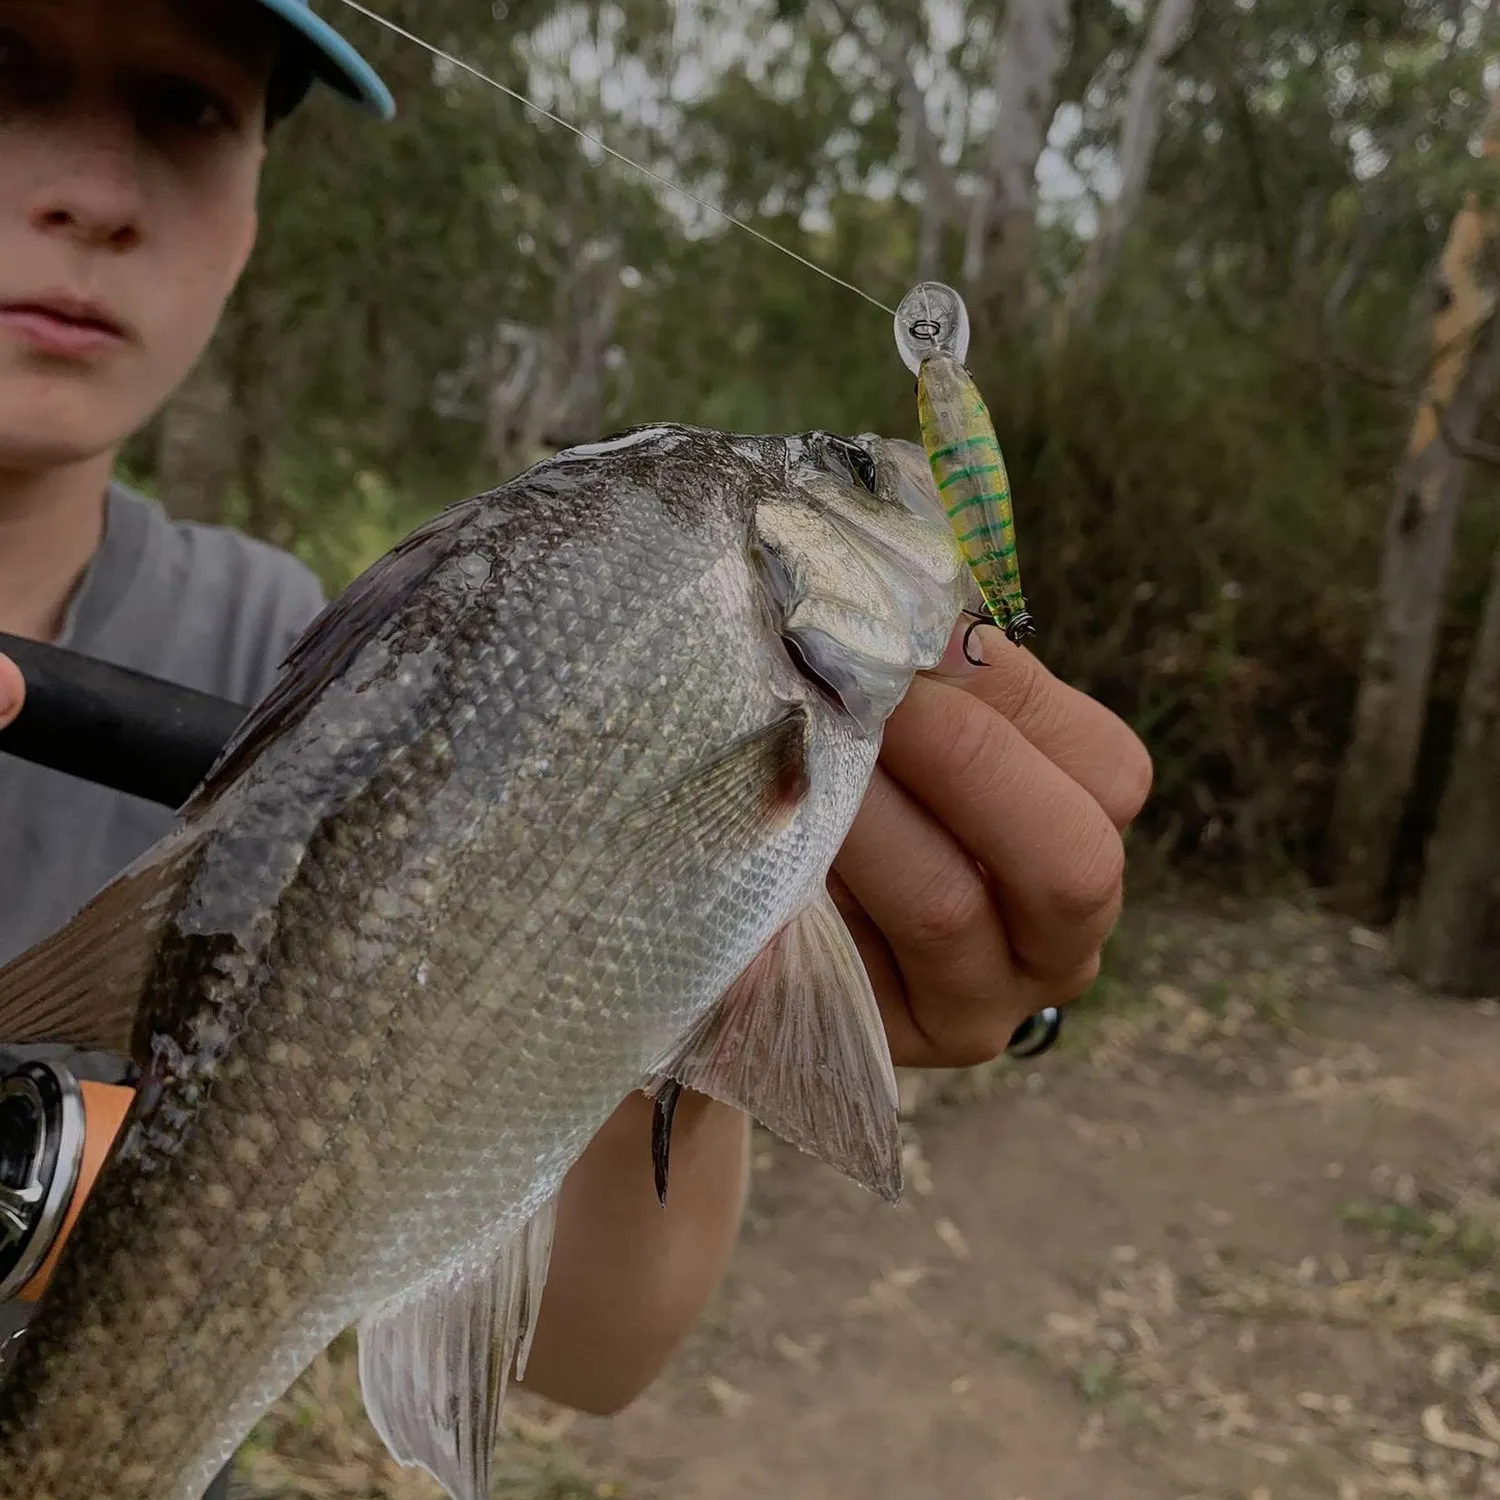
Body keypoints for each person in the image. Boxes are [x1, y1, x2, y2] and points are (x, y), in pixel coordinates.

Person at [0, 0, 1153, 1492]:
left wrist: (676, 967)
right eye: (6, 76)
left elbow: (598, 1353)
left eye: (189, 112)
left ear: (255, 202)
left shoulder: (277, 645)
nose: (95, 192)